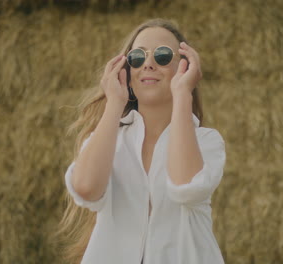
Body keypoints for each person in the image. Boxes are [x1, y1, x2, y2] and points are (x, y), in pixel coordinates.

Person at [60, 18, 226, 264]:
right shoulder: (106, 140)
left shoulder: (206, 141)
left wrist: (182, 93)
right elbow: (86, 189)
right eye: (137, 57)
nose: (148, 63)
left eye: (161, 55)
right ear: (126, 71)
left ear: (184, 67)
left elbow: (186, 189)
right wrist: (115, 102)